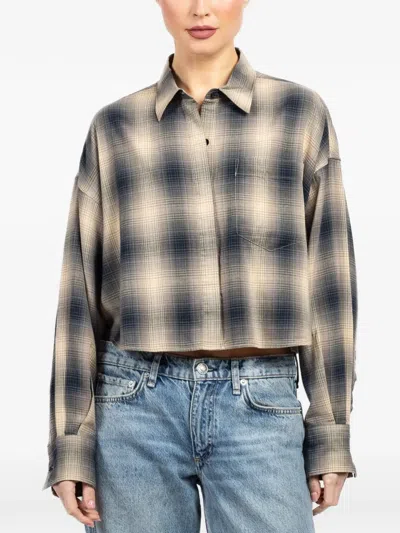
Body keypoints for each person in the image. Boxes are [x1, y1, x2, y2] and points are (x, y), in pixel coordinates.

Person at [42, 1, 358, 531]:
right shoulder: (115, 127)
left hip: (260, 402)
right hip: (134, 403)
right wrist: (71, 441)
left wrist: (331, 429)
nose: (200, 8)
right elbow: (80, 292)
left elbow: (329, 280)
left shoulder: (299, 114)